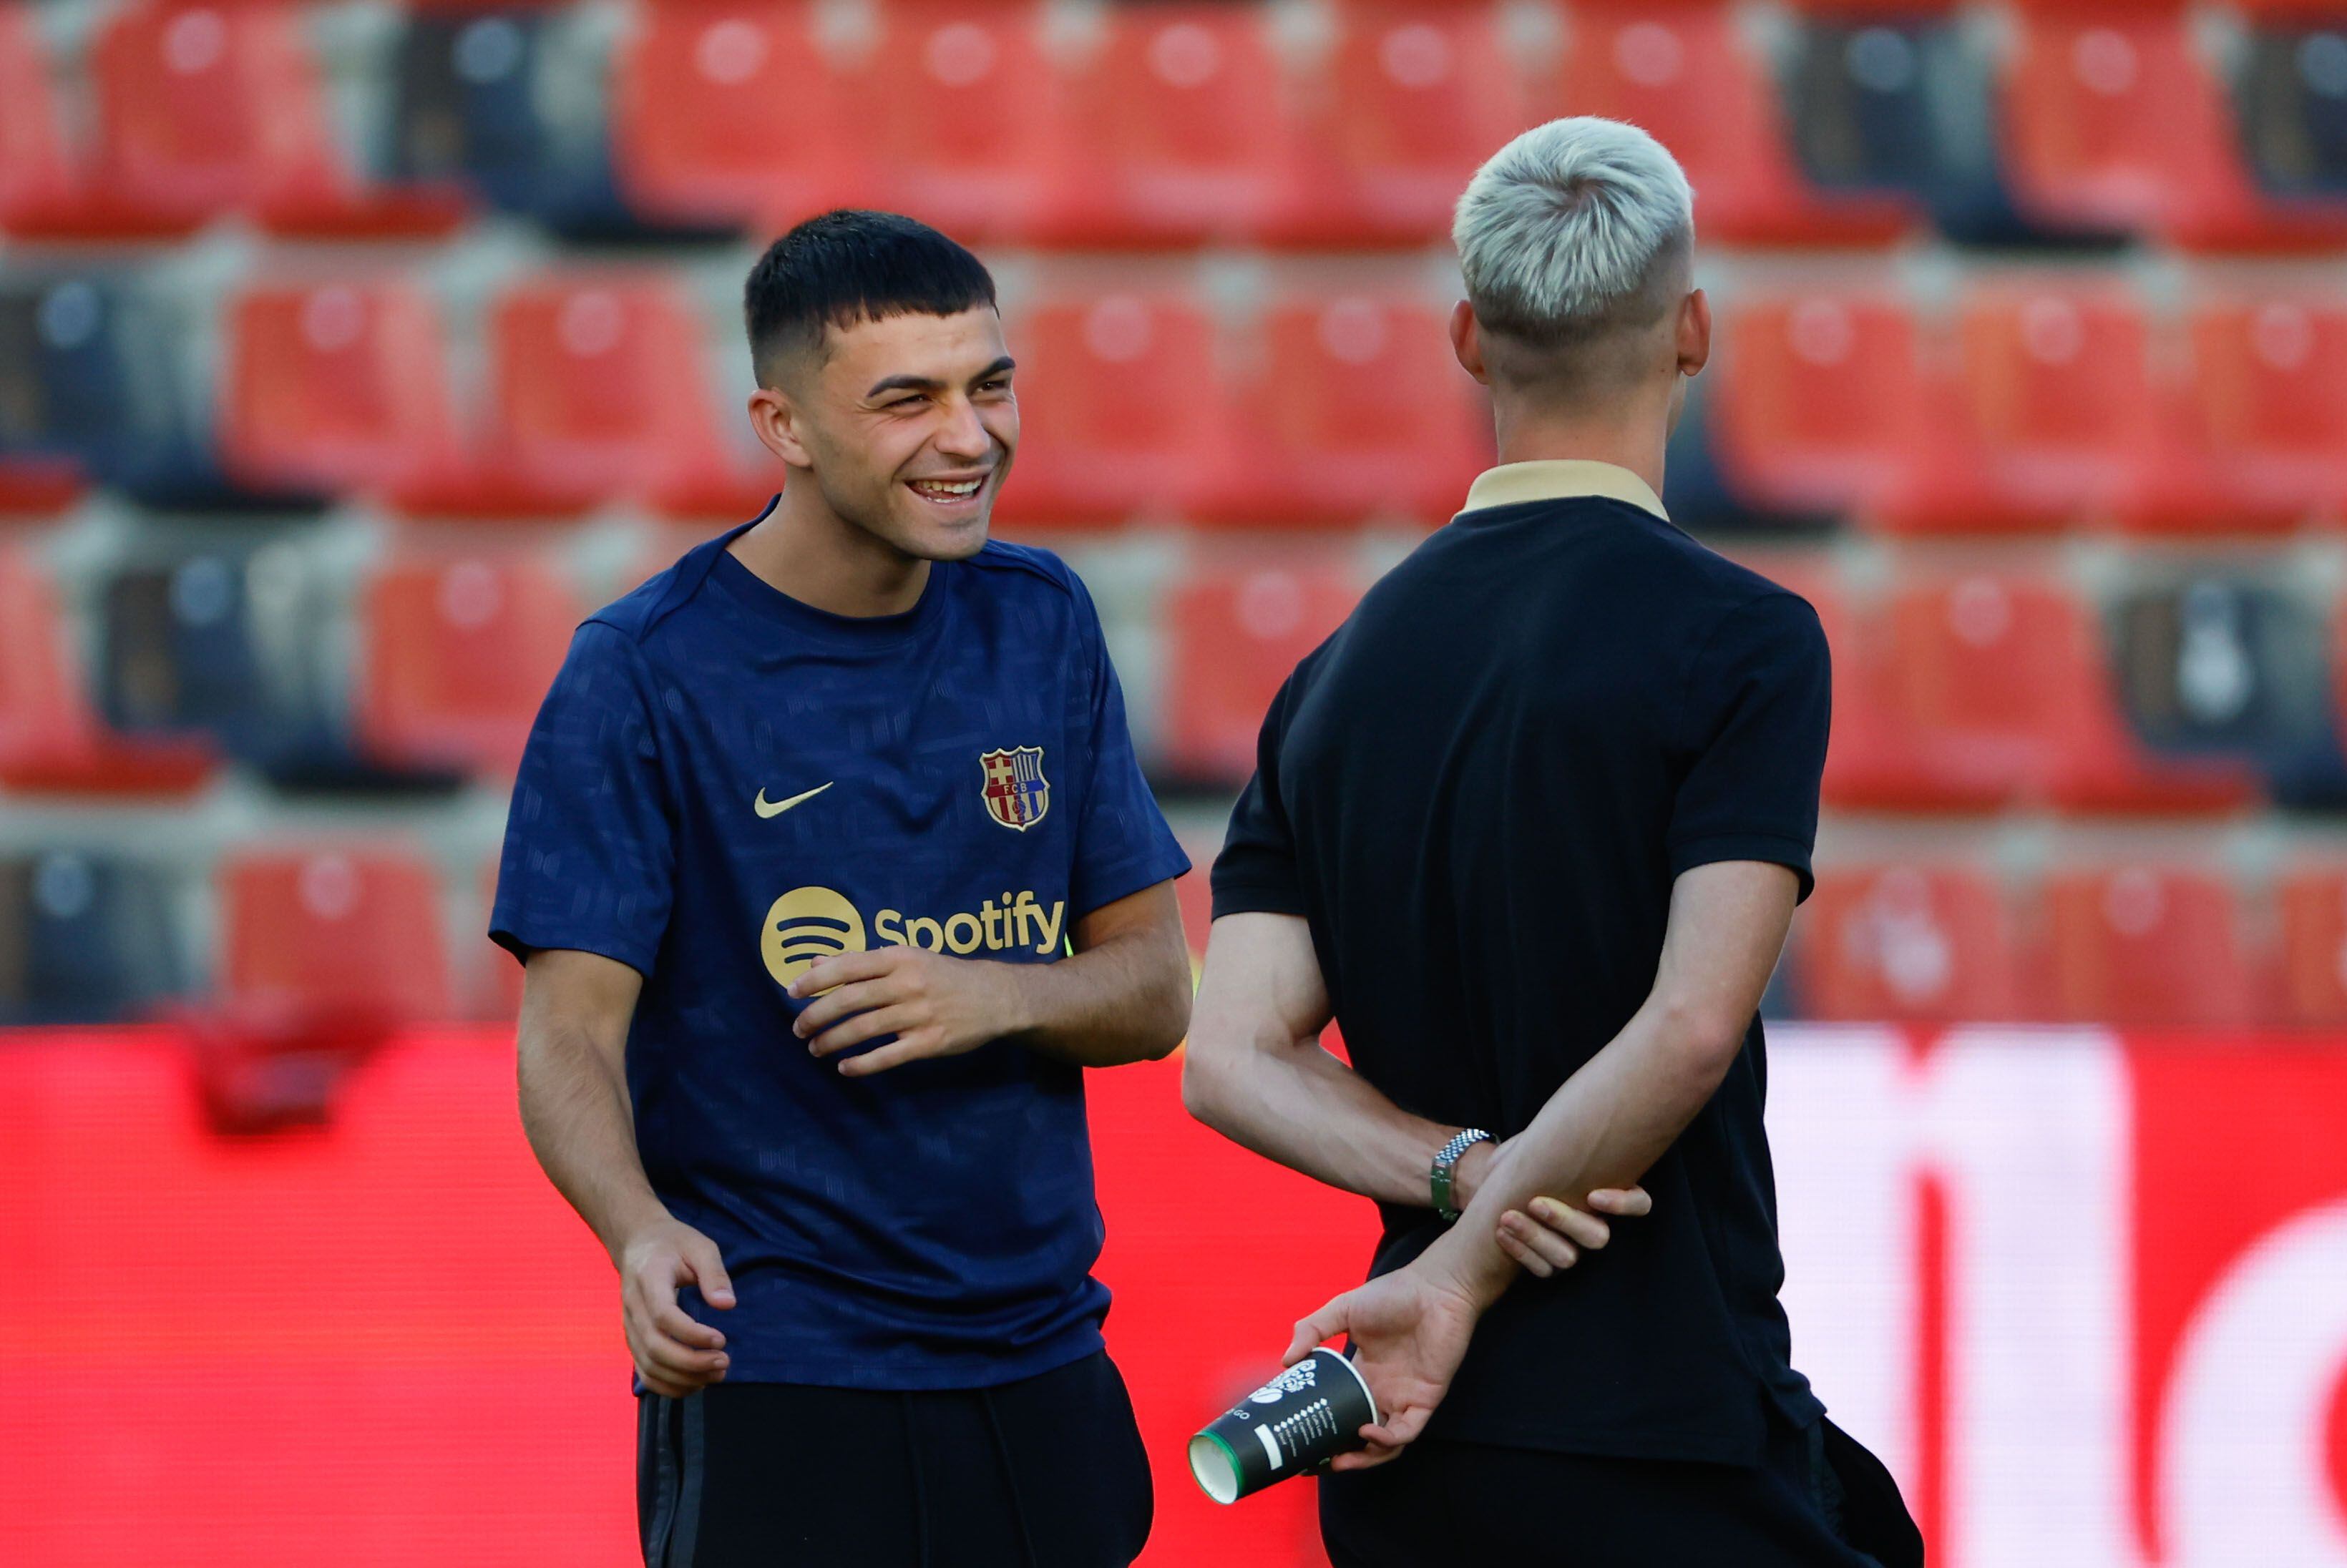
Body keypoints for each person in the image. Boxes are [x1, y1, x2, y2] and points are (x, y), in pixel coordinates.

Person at [1181, 120, 1926, 1567]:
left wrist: (1459, 1169)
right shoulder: (1743, 642)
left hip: (1402, 1441)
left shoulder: (1332, 676)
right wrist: (1466, 1262)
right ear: (1691, 331)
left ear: (1467, 339)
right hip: (1655, 1424)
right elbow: (1693, 1022)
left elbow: (1230, 1060)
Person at [491, 210, 1197, 1568]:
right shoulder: (643, 671)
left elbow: (1158, 988)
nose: (969, 436)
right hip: (783, 1365)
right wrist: (636, 1232)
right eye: (907, 399)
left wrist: (988, 996)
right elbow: (568, 1031)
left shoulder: (1043, 620)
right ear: (786, 426)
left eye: (990, 385)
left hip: (1043, 1353)